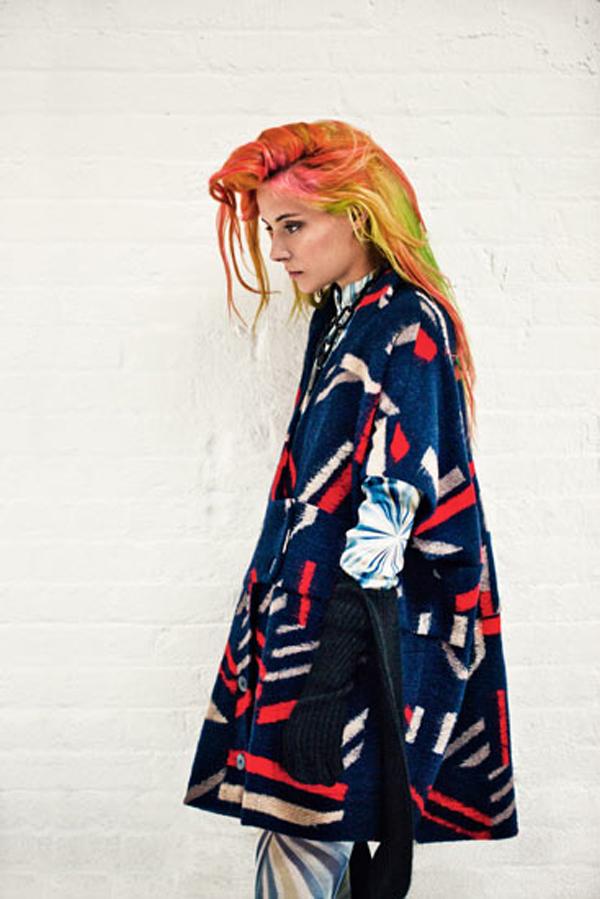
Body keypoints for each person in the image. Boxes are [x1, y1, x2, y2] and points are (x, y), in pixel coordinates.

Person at [183, 119, 519, 898]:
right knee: (301, 835)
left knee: (306, 833)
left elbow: (396, 504)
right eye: (271, 230)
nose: (277, 250)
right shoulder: (341, 318)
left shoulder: (408, 322)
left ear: (359, 217)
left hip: (357, 632)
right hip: (310, 620)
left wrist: (329, 673)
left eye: (293, 225)